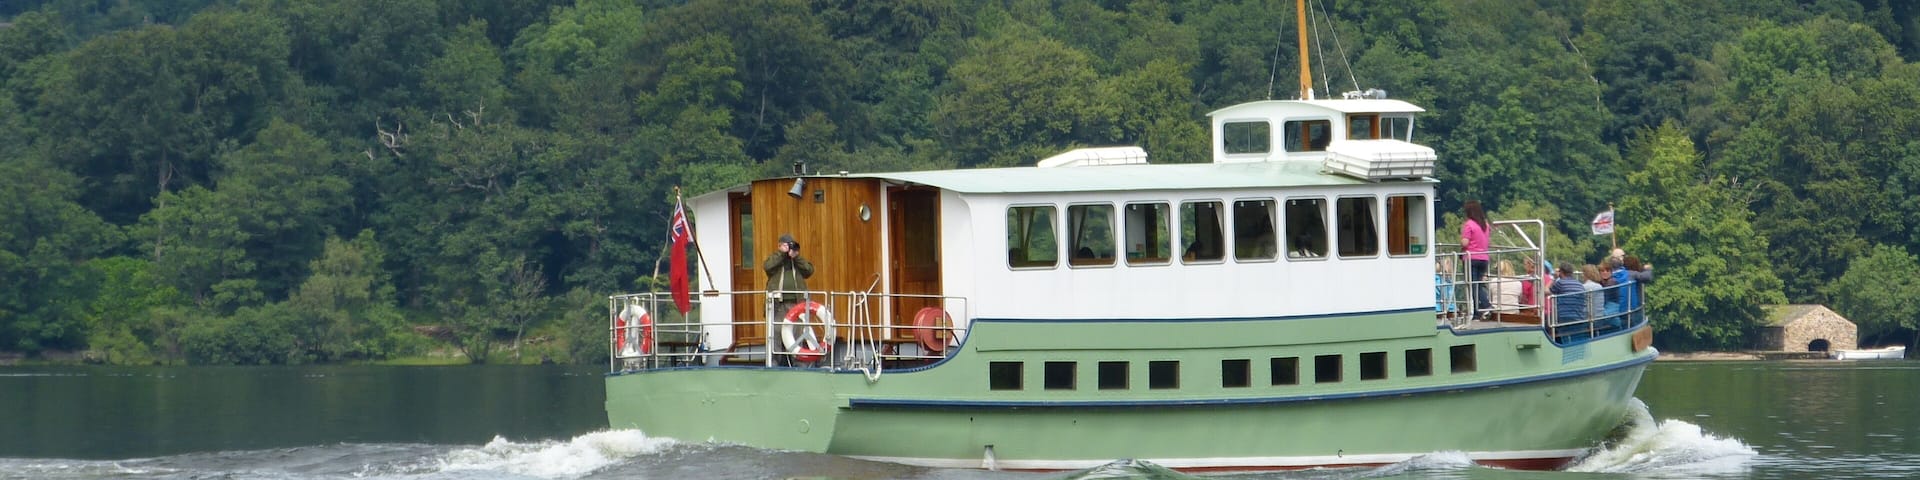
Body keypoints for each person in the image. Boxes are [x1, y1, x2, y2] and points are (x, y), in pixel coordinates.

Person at [764, 233, 815, 362]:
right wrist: (782, 254)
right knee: (775, 335)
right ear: (780, 245)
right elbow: (767, 266)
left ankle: (798, 363)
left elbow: (809, 270)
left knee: (797, 335)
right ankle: (774, 364)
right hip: (778, 305)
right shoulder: (775, 259)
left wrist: (796, 257)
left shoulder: (796, 261)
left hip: (796, 305)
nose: (789, 248)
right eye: (786, 245)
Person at [1460, 200, 1492, 318]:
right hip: (1484, 258)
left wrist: (1461, 240)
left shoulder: (1469, 224)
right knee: (1478, 284)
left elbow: (1465, 242)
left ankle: (1485, 306)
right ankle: (1477, 311)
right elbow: (1488, 241)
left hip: (1471, 258)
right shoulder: (1485, 225)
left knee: (1472, 285)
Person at [1549, 263, 1587, 338]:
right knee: (1576, 339)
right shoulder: (1579, 284)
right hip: (1579, 317)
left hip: (1565, 318)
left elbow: (1546, 291)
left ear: (1561, 272)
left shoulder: (1560, 283)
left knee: (1565, 339)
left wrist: (1553, 278)